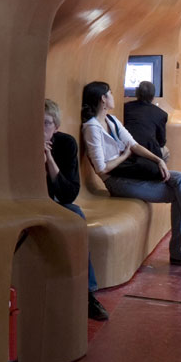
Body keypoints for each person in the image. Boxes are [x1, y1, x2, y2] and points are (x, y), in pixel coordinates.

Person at [80, 81, 181, 268]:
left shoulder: (111, 121)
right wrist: (125, 155)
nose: (113, 96)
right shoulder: (92, 128)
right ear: (103, 99)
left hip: (132, 172)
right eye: (110, 93)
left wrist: (158, 160)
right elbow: (101, 168)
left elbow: (134, 144)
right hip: (117, 181)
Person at [44, 99, 109, 321]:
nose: (41, 129)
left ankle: (87, 293)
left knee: (76, 216)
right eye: (37, 123)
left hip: (57, 204)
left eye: (47, 124)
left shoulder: (66, 144)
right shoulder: (20, 145)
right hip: (28, 205)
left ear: (56, 127)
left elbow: (68, 194)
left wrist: (49, 160)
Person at [121, 81, 168, 160]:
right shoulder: (161, 114)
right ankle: (160, 170)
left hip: (127, 148)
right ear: (153, 96)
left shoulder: (125, 107)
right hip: (149, 151)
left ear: (137, 93)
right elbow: (161, 142)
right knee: (166, 152)